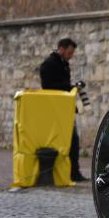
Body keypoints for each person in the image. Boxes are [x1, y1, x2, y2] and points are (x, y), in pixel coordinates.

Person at [39, 37, 87, 182]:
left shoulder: (63, 63)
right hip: (56, 108)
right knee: (69, 140)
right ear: (61, 48)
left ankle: (74, 172)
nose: (71, 56)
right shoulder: (49, 64)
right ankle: (68, 173)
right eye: (69, 53)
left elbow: (63, 85)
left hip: (65, 108)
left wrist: (73, 86)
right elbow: (49, 86)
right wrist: (72, 87)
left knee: (74, 141)